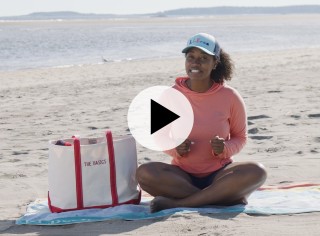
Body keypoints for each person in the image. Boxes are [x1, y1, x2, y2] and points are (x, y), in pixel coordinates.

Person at [136, 33, 267, 213]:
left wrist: (224, 148)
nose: (196, 63)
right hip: (181, 176)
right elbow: (159, 137)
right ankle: (217, 198)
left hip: (220, 173)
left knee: (257, 171)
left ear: (215, 63)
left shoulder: (230, 97)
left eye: (204, 58)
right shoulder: (168, 96)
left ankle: (180, 203)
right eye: (191, 57)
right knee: (144, 173)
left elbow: (240, 137)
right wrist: (176, 149)